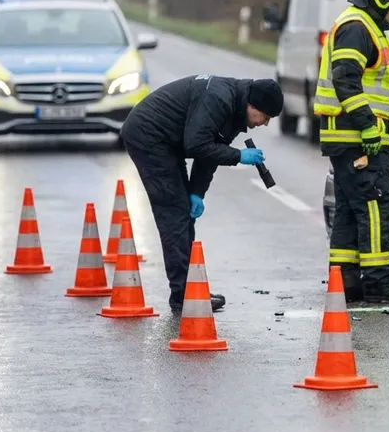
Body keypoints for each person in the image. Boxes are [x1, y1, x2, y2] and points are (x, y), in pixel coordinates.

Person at [120, 75, 283, 314]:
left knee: (185, 211)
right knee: (174, 213)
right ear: (253, 105)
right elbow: (197, 145)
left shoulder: (237, 109)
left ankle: (190, 288)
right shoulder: (219, 99)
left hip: (169, 141)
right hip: (148, 136)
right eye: (266, 117)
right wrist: (238, 156)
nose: (265, 123)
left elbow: (210, 150)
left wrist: (197, 192)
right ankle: (184, 296)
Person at [314, 0, 389, 303]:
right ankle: (380, 282)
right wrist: (367, 126)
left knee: (349, 209)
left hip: (352, 136)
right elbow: (346, 80)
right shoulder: (357, 28)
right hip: (356, 137)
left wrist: (385, 132)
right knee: (377, 207)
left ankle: (345, 280)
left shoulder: (365, 27)